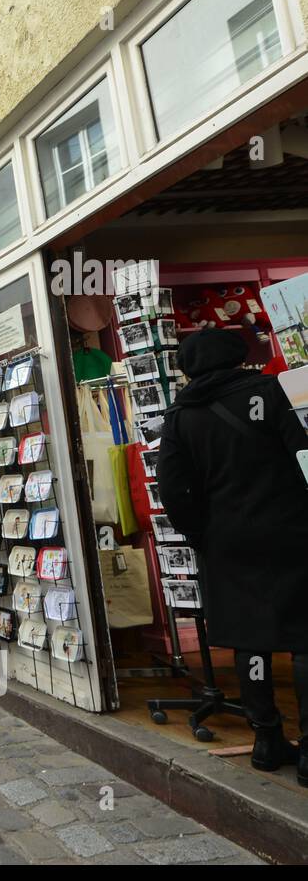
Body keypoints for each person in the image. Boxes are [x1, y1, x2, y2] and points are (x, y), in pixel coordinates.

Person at [158, 328, 308, 784]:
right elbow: (303, 452)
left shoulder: (181, 417)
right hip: (291, 534)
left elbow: (171, 490)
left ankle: (266, 740)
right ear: (235, 355)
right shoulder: (269, 391)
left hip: (227, 542)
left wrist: (201, 532)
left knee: (252, 639)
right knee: (304, 639)